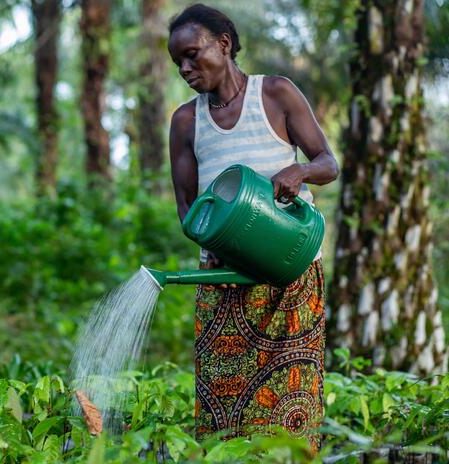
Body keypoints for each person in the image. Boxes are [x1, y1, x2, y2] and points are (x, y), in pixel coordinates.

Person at [166, 3, 339, 454]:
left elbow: (328, 163)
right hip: (225, 279)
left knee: (292, 408)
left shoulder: (276, 94)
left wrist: (299, 172)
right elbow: (187, 209)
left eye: (192, 54)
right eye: (177, 61)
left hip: (291, 272)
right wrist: (217, 246)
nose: (184, 68)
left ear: (223, 44)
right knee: (222, 415)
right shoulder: (186, 121)